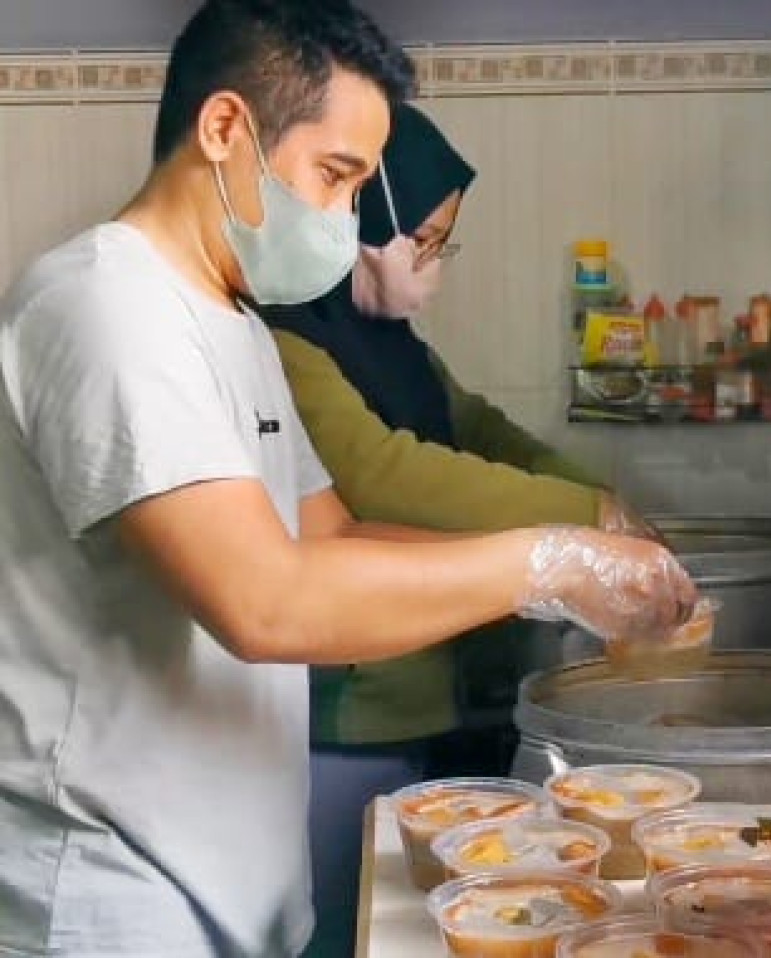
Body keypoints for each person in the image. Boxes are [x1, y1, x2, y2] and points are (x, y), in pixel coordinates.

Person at [0, 2, 695, 956]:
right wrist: (551, 559)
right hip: (110, 887)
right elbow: (265, 601)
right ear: (225, 128)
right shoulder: (105, 304)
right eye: (335, 177)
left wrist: (564, 583)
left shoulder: (236, 327)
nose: (345, 217)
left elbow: (329, 538)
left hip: (223, 873)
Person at [264, 102, 657, 958]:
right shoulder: (286, 342)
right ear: (365, 220)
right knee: (354, 924)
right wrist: (579, 526)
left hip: (424, 684)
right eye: (425, 240)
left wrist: (597, 492)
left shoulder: (391, 345)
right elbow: (383, 470)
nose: (433, 263)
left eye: (445, 243)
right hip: (348, 708)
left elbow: (474, 426)